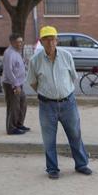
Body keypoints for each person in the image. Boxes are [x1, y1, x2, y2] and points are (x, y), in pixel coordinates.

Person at [27, 26, 92, 179]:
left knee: (75, 134)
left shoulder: (66, 56)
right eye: (46, 39)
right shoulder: (34, 61)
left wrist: (62, 92)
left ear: (57, 40)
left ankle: (82, 164)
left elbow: (72, 77)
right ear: (41, 42)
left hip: (68, 103)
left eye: (52, 39)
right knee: (49, 139)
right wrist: (47, 93)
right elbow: (33, 82)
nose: (50, 42)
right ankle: (52, 169)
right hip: (46, 105)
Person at [1, 33, 29, 135]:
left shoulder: (17, 51)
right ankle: (11, 128)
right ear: (12, 42)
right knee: (13, 106)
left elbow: (18, 65)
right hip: (11, 84)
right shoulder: (9, 53)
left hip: (19, 83)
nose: (21, 43)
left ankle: (19, 124)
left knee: (22, 104)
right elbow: (9, 71)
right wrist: (16, 85)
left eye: (21, 41)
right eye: (18, 42)